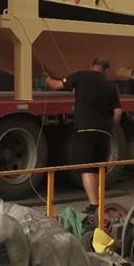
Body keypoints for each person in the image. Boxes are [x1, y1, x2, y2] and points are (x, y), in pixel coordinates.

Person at [44, 58, 122, 219]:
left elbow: (57, 85)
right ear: (105, 70)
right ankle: (98, 202)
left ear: (91, 65)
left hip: (85, 130)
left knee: (87, 169)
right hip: (103, 132)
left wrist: (45, 77)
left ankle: (94, 205)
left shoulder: (80, 76)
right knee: (98, 168)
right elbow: (118, 111)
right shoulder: (110, 85)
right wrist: (111, 128)